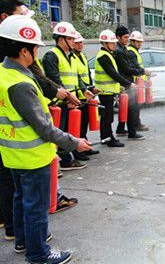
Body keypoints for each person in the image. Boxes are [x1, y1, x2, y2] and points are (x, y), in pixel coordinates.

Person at [0, 14, 92, 264]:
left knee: (21, 199)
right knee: (36, 206)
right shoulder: (20, 84)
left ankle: (22, 241)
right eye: (35, 48)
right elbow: (44, 128)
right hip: (33, 156)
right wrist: (75, 142)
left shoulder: (4, 73)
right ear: (24, 51)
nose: (38, 53)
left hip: (12, 154)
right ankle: (38, 253)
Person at [42, 22, 93, 167]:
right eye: (70, 39)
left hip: (69, 100)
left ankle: (66, 158)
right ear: (60, 39)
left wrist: (83, 90)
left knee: (68, 130)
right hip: (58, 102)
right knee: (61, 130)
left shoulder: (70, 56)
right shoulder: (51, 55)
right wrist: (68, 96)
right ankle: (64, 161)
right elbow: (54, 79)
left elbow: (76, 77)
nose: (73, 41)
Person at [94, 29, 135, 147]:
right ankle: (108, 138)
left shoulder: (108, 55)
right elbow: (114, 74)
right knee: (107, 118)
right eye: (111, 43)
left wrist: (120, 87)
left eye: (114, 42)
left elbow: (114, 75)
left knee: (107, 117)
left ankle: (106, 138)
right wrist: (128, 83)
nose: (114, 45)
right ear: (104, 43)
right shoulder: (103, 56)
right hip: (105, 92)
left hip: (109, 91)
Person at [113, 26, 146, 140]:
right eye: (125, 37)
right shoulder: (119, 51)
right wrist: (142, 71)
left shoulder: (123, 49)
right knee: (132, 108)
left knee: (127, 108)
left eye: (128, 37)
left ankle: (121, 129)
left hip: (127, 82)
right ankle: (132, 133)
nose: (127, 39)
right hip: (126, 83)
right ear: (118, 37)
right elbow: (127, 69)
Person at [73, 32, 100, 156]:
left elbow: (87, 75)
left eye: (81, 42)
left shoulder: (82, 56)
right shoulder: (71, 57)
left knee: (84, 123)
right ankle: (78, 150)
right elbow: (77, 77)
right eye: (77, 42)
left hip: (85, 95)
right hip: (76, 95)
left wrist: (92, 88)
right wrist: (84, 89)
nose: (80, 45)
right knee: (76, 125)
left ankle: (85, 146)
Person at [127, 31, 151, 131]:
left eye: (140, 42)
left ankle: (127, 127)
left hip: (136, 81)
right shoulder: (131, 52)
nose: (139, 44)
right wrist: (145, 73)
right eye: (137, 42)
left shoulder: (134, 51)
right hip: (133, 82)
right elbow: (136, 67)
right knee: (134, 106)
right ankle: (136, 125)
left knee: (132, 106)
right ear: (132, 41)